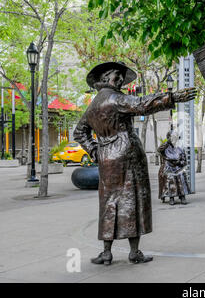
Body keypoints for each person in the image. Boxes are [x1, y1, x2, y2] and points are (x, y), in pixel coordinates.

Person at [73, 61, 196, 265]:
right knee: (134, 199)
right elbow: (141, 104)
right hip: (127, 156)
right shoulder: (115, 98)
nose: (120, 79)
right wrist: (171, 97)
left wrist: (96, 151)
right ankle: (134, 251)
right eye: (116, 76)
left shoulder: (93, 104)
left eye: (121, 76)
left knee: (108, 202)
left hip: (106, 158)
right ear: (105, 78)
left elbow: (79, 132)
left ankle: (106, 252)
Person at [157, 130, 191, 205]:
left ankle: (182, 196)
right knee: (170, 176)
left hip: (178, 167)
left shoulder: (180, 149)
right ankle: (171, 197)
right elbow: (159, 150)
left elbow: (184, 161)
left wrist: (179, 163)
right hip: (168, 167)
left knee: (181, 174)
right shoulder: (165, 148)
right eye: (173, 138)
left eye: (176, 138)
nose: (175, 140)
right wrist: (167, 142)